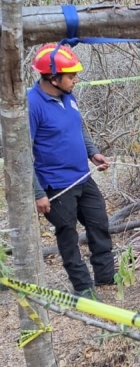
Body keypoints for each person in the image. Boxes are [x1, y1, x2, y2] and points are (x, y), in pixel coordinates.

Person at [28, 43, 115, 297]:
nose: (76, 80)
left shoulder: (69, 97)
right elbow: (21, 153)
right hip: (56, 183)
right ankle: (83, 287)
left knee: (99, 222)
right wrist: (37, 192)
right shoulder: (31, 104)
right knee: (68, 236)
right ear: (53, 78)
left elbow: (79, 129)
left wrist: (93, 153)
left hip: (83, 177)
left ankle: (106, 275)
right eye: (71, 76)